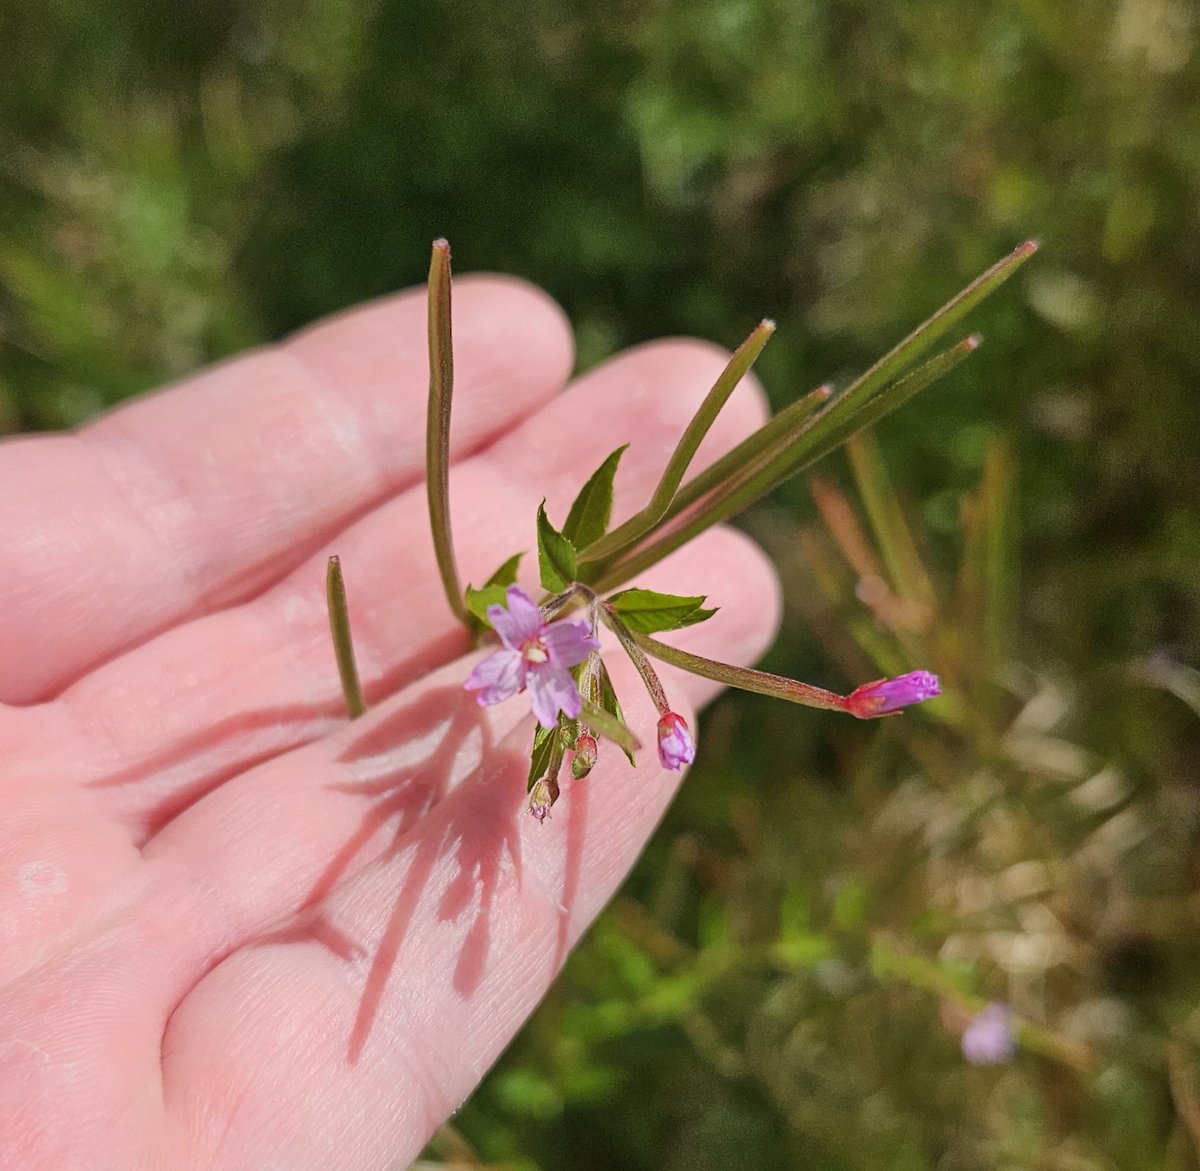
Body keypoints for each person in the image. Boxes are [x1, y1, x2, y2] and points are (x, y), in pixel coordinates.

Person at [0, 274, 780, 1169]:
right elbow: (523, 634)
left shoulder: (552, 651)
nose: (534, 658)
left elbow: (542, 655)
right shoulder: (534, 634)